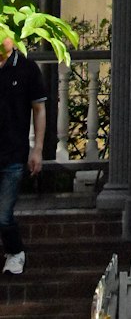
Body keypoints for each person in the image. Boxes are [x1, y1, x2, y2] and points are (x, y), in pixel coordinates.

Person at [0, 36, 46, 277]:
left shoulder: (27, 69)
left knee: (3, 215)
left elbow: (39, 109)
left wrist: (37, 149)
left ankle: (15, 252)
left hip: (14, 153)